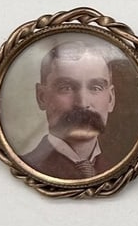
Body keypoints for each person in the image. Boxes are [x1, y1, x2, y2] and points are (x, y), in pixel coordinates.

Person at [20, 40, 117, 180]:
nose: (82, 104)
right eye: (66, 88)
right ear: (41, 97)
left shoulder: (122, 170)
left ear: (110, 99)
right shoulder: (26, 167)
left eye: (95, 88)